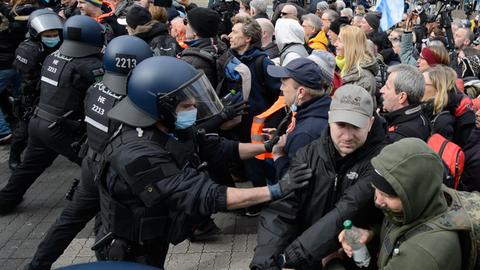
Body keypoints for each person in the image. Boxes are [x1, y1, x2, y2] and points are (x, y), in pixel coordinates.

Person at [95, 56, 312, 268]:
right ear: (160, 107)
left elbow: (217, 147)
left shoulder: (168, 128)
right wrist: (275, 190)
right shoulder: (137, 153)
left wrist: (267, 146)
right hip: (129, 248)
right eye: (187, 106)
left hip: (154, 234)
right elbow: (205, 194)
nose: (194, 111)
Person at [24, 35, 153, 270]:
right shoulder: (136, 102)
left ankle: (36, 265)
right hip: (115, 175)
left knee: (67, 223)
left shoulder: (96, 89)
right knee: (114, 231)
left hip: (90, 164)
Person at [251, 85, 386, 269]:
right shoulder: (309, 153)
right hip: (308, 255)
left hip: (350, 260)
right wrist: (265, 260)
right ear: (330, 119)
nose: (347, 135)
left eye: (356, 126)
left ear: (370, 123)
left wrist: (288, 258)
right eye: (341, 124)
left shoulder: (381, 161)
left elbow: (346, 209)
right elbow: (282, 207)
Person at [0, 15, 104, 215]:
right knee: (99, 168)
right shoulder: (90, 65)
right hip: (62, 130)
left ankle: (6, 200)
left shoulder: (52, 55)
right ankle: (102, 211)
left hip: (39, 123)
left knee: (28, 168)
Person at [339, 138, 462, 270]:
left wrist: (331, 262)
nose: (378, 201)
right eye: (376, 189)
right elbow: (398, 228)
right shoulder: (418, 206)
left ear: (416, 195)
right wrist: (372, 235)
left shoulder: (423, 256)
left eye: (387, 195)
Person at [9, 9, 63, 171]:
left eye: (55, 34)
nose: (52, 38)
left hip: (58, 93)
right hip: (34, 95)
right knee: (24, 131)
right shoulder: (28, 49)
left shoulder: (62, 44)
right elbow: (26, 74)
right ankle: (14, 155)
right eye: (48, 35)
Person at [266, 57, 331, 178]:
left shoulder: (305, 134)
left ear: (300, 92)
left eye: (284, 84)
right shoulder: (321, 108)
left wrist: (278, 155)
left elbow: (294, 183)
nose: (281, 88)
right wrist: (288, 138)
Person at [421, 65, 475, 148]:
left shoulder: (442, 121)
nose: (418, 87)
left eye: (423, 83)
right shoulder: (428, 107)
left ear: (438, 88)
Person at [380, 64, 430, 143]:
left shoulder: (398, 138)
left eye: (387, 87)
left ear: (402, 97)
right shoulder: (421, 116)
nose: (381, 90)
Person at [180, 7, 227, 87]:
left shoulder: (192, 61)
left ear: (195, 31)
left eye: (186, 22)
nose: (185, 26)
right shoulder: (222, 47)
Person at [334, 25, 378, 95]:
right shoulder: (341, 67)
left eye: (340, 41)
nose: (335, 44)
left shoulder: (364, 78)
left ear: (351, 45)